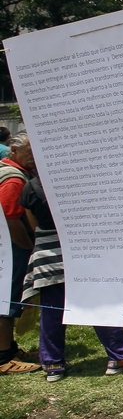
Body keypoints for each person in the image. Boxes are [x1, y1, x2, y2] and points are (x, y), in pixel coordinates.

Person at [21, 176, 123, 380]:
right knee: (97, 305)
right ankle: (118, 356)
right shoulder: (74, 181)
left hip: (47, 255)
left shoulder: (31, 187)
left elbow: (33, 224)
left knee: (51, 312)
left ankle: (53, 364)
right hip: (79, 250)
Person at [0, 133, 39, 374]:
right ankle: (4, 357)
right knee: (9, 300)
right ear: (13, 151)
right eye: (28, 152)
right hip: (13, 248)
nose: (33, 157)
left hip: (8, 247)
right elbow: (12, 219)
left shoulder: (7, 169)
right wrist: (27, 247)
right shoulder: (14, 180)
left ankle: (10, 348)